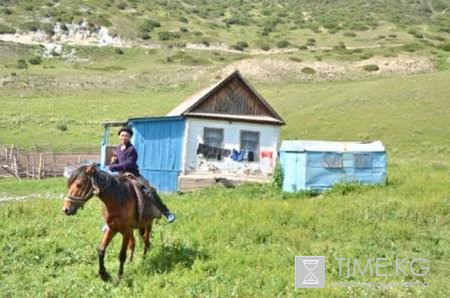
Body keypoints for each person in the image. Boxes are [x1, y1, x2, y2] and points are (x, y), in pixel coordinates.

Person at [106, 126, 176, 223]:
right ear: (119, 136)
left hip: (133, 174)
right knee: (111, 193)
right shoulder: (118, 149)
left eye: (126, 136)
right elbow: (117, 160)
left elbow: (129, 163)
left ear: (130, 137)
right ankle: (109, 220)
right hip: (121, 175)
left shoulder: (132, 149)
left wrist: (112, 167)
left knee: (149, 191)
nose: (124, 137)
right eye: (122, 135)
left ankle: (167, 213)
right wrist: (114, 161)